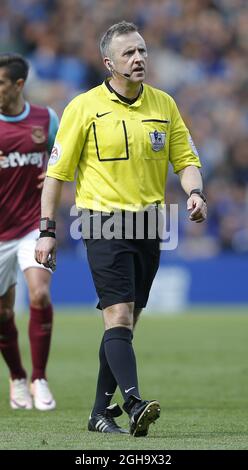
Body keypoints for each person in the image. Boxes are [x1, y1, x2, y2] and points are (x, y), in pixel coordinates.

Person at [35, 21, 207, 435]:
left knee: (125, 324)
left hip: (152, 222)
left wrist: (195, 193)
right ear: (109, 63)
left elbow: (184, 158)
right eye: (129, 53)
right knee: (118, 313)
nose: (139, 58)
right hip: (102, 220)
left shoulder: (164, 104)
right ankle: (132, 401)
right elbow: (56, 174)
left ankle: (98, 411)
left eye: (143, 51)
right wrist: (47, 230)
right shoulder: (84, 107)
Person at [0, 53, 59, 410]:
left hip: (31, 227)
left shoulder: (45, 119)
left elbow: (67, 159)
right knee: (3, 314)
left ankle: (39, 377)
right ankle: (18, 376)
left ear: (18, 85)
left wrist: (54, 173)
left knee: (39, 295)